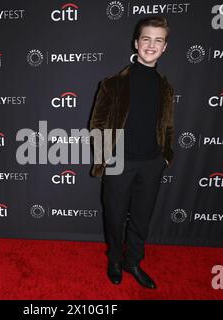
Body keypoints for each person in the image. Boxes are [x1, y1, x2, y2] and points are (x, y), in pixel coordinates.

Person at [89, 16, 175, 289]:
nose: (151, 45)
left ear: (165, 47)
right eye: (146, 38)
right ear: (136, 42)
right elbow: (97, 124)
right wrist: (108, 158)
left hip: (151, 164)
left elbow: (169, 125)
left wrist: (165, 157)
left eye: (158, 40)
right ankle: (115, 260)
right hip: (119, 164)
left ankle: (133, 262)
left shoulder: (166, 88)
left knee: (141, 218)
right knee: (114, 216)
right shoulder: (113, 84)